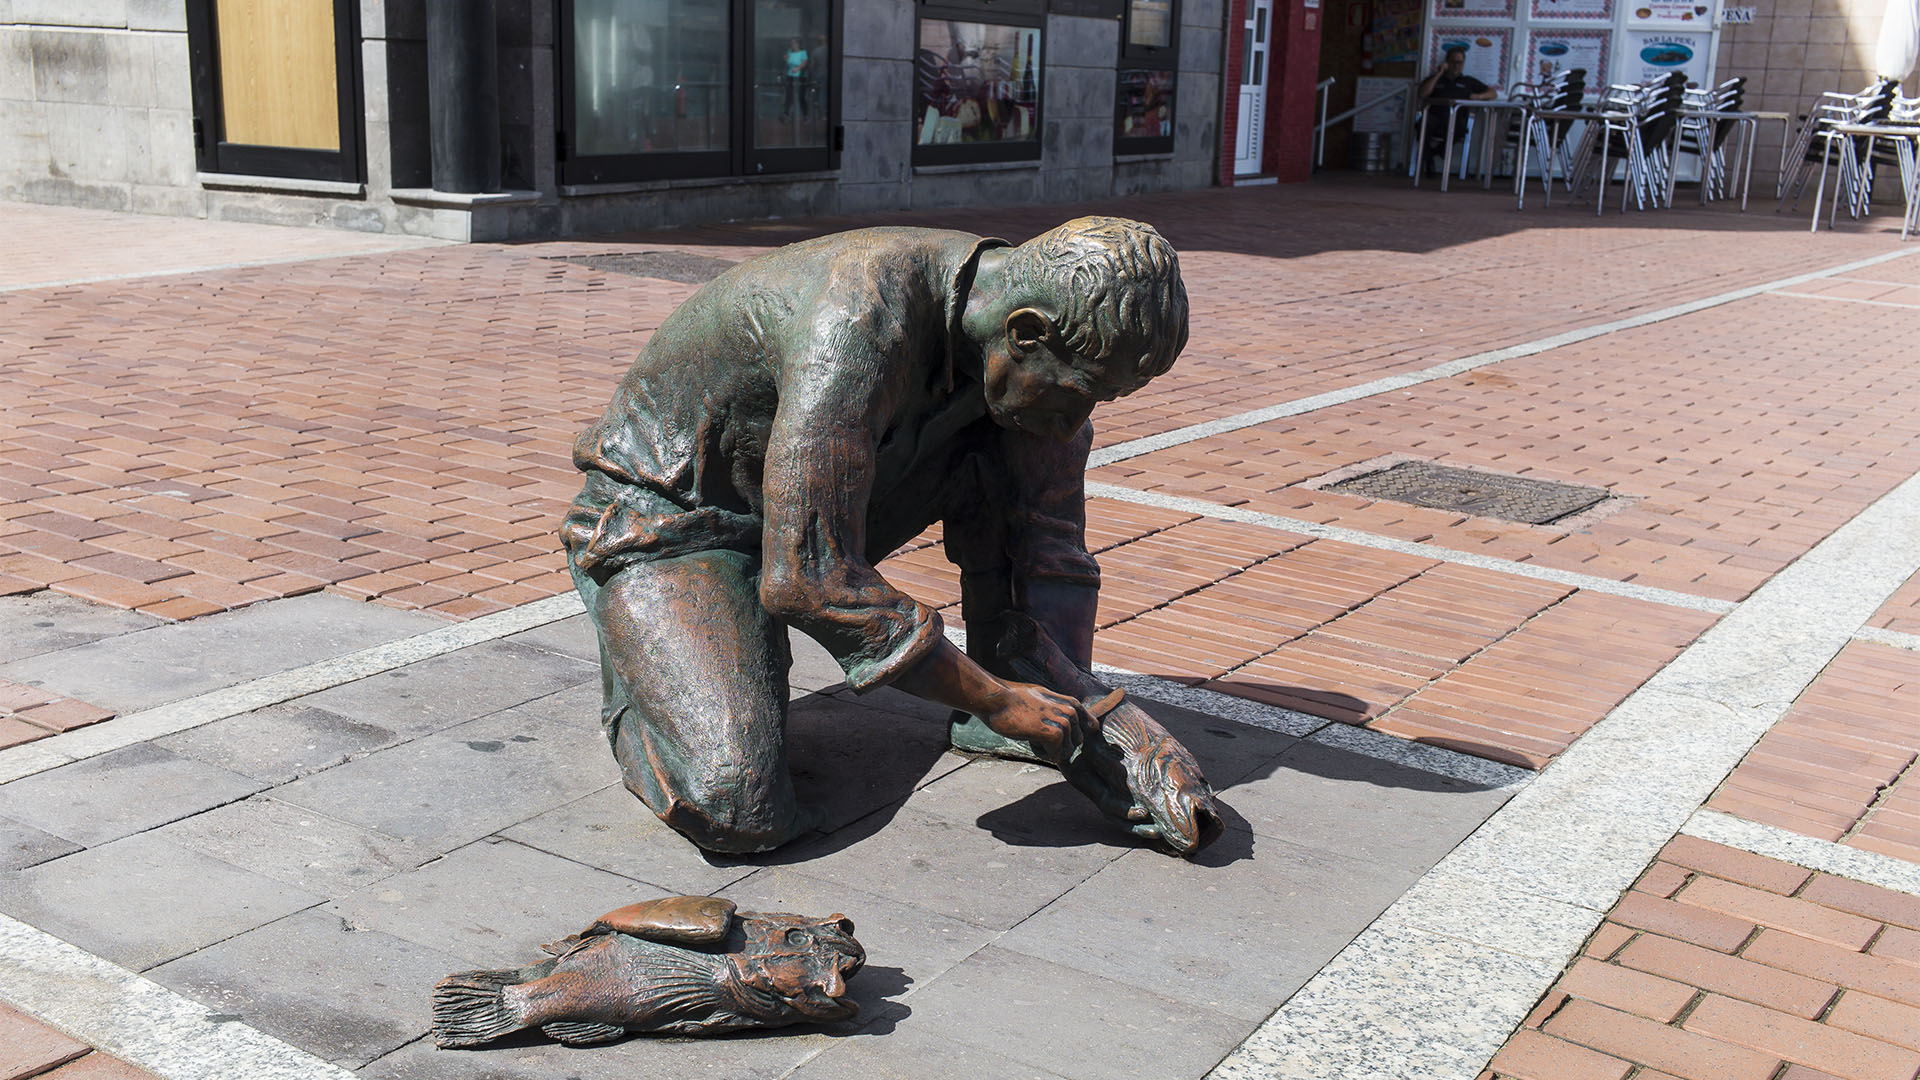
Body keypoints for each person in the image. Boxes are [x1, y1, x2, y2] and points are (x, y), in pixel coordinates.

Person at [562, 217, 1189, 854]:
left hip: (814, 514)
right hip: (677, 526)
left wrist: (1096, 723)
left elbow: (1050, 540)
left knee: (1032, 441)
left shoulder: (1005, 341)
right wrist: (998, 700)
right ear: (1026, 330)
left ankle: (1018, 691)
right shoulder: (857, 322)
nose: (1074, 425)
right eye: (1078, 392)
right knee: (737, 804)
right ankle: (659, 664)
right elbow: (809, 577)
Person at [1419, 46, 1497, 177]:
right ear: (1447, 62)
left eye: (1459, 63)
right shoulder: (1436, 79)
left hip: (1456, 121)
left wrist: (1478, 97)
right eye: (1453, 62)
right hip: (1435, 118)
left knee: (1461, 128)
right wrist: (1439, 73)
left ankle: (1431, 154)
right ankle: (1429, 159)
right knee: (1423, 124)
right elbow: (1422, 93)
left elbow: (1493, 93)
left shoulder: (1468, 81)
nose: (1456, 66)